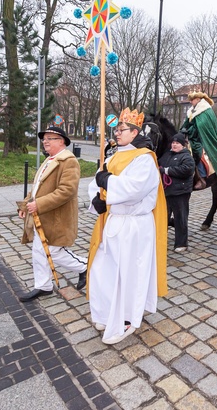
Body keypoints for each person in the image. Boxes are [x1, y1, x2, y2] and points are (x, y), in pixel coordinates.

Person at [87, 108, 168, 345]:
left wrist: (109, 183)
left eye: (121, 130)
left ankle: (127, 318)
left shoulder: (144, 158)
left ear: (134, 133)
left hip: (134, 225)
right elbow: (97, 183)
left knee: (128, 273)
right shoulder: (112, 157)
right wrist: (98, 199)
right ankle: (105, 311)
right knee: (104, 269)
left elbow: (134, 190)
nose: (117, 133)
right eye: (117, 129)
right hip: (114, 221)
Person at [17, 126, 88, 302]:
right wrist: (25, 206)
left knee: (53, 251)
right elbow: (36, 188)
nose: (45, 141)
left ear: (62, 141)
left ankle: (85, 267)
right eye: (44, 138)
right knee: (39, 250)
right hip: (43, 216)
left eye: (50, 138)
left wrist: (38, 205)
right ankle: (43, 286)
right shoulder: (50, 159)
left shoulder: (68, 161)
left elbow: (67, 191)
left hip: (57, 217)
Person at [180, 90, 217, 185]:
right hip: (191, 138)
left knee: (197, 152)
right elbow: (186, 123)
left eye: (192, 100)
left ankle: (200, 177)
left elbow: (201, 126)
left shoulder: (205, 110)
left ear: (198, 99)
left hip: (202, 140)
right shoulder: (192, 111)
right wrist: (182, 130)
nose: (190, 102)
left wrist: (189, 131)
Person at [158, 133, 195, 252]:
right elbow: (159, 163)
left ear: (183, 145)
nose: (174, 145)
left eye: (177, 143)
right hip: (167, 191)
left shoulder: (186, 157)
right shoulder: (167, 154)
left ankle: (181, 243)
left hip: (180, 192)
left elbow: (186, 170)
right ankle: (160, 238)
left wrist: (167, 171)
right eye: (173, 143)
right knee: (164, 216)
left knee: (180, 217)